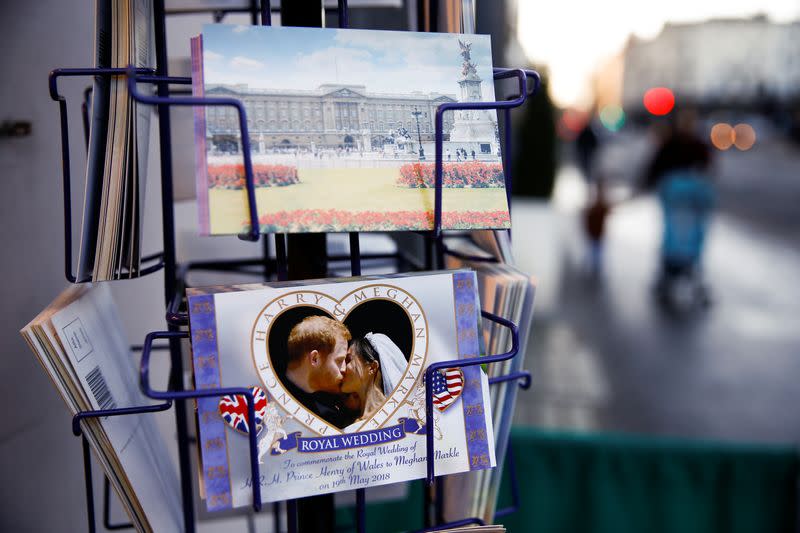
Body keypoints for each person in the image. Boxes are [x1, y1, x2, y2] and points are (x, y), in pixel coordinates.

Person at [284, 316, 351, 428]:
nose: (344, 368)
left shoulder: (328, 406)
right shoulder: (269, 403)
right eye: (339, 360)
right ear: (315, 358)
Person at [341, 333, 407, 428]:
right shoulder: (343, 421)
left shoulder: (401, 416)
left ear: (372, 367)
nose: (342, 369)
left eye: (348, 360)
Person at [583, 177, 612, 278]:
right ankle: (594, 268)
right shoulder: (596, 204)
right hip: (595, 233)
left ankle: (595, 268)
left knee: (596, 252)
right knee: (595, 252)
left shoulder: (600, 203)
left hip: (598, 233)